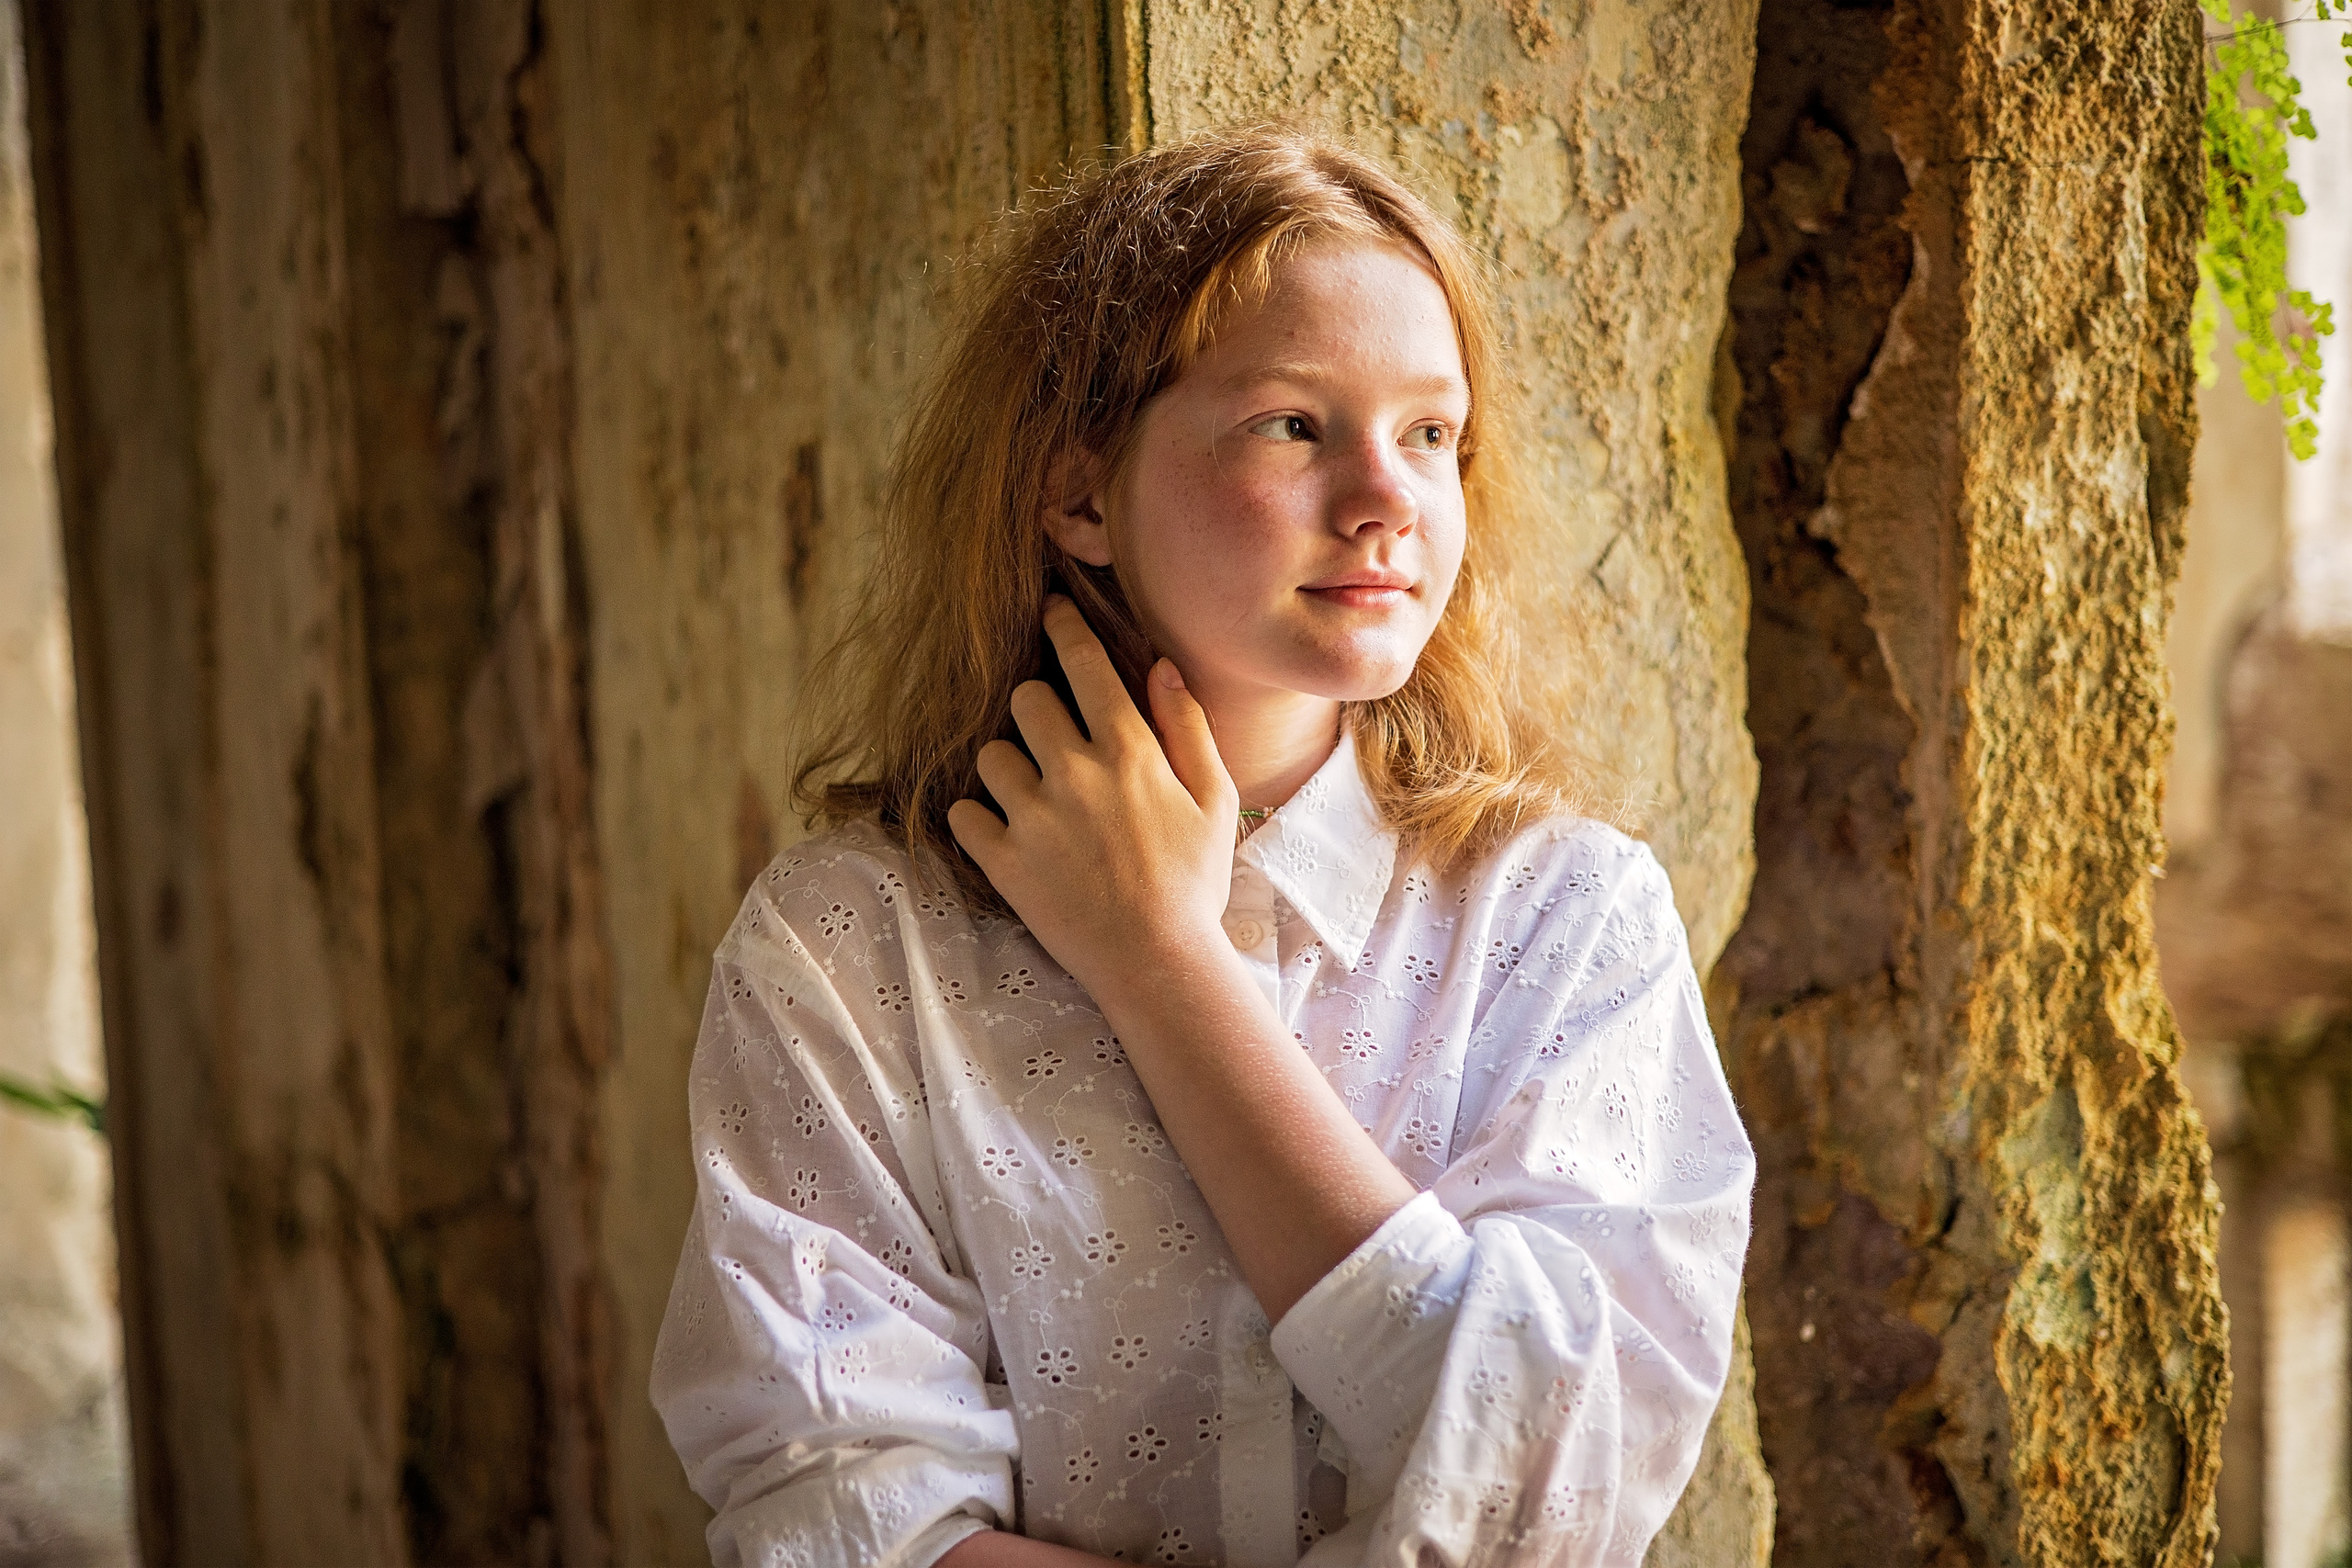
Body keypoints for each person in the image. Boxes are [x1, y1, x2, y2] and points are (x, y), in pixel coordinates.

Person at [650, 124, 1754, 1568]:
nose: (1387, 499)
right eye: (1294, 425)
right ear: (1080, 494)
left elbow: (1554, 1491)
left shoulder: (1571, 917)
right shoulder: (850, 947)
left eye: (1431, 433)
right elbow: (840, 1518)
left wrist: (1165, 964)